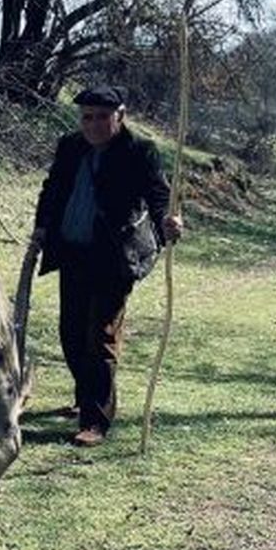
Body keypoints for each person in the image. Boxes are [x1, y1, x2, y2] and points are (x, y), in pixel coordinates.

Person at [31, 84, 184, 446]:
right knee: (71, 333)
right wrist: (41, 227)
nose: (93, 124)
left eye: (102, 117)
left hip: (114, 258)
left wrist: (170, 221)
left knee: (100, 338)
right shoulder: (70, 146)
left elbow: (159, 194)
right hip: (73, 253)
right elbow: (52, 190)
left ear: (120, 116)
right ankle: (85, 396)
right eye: (87, 117)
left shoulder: (140, 151)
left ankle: (96, 421)